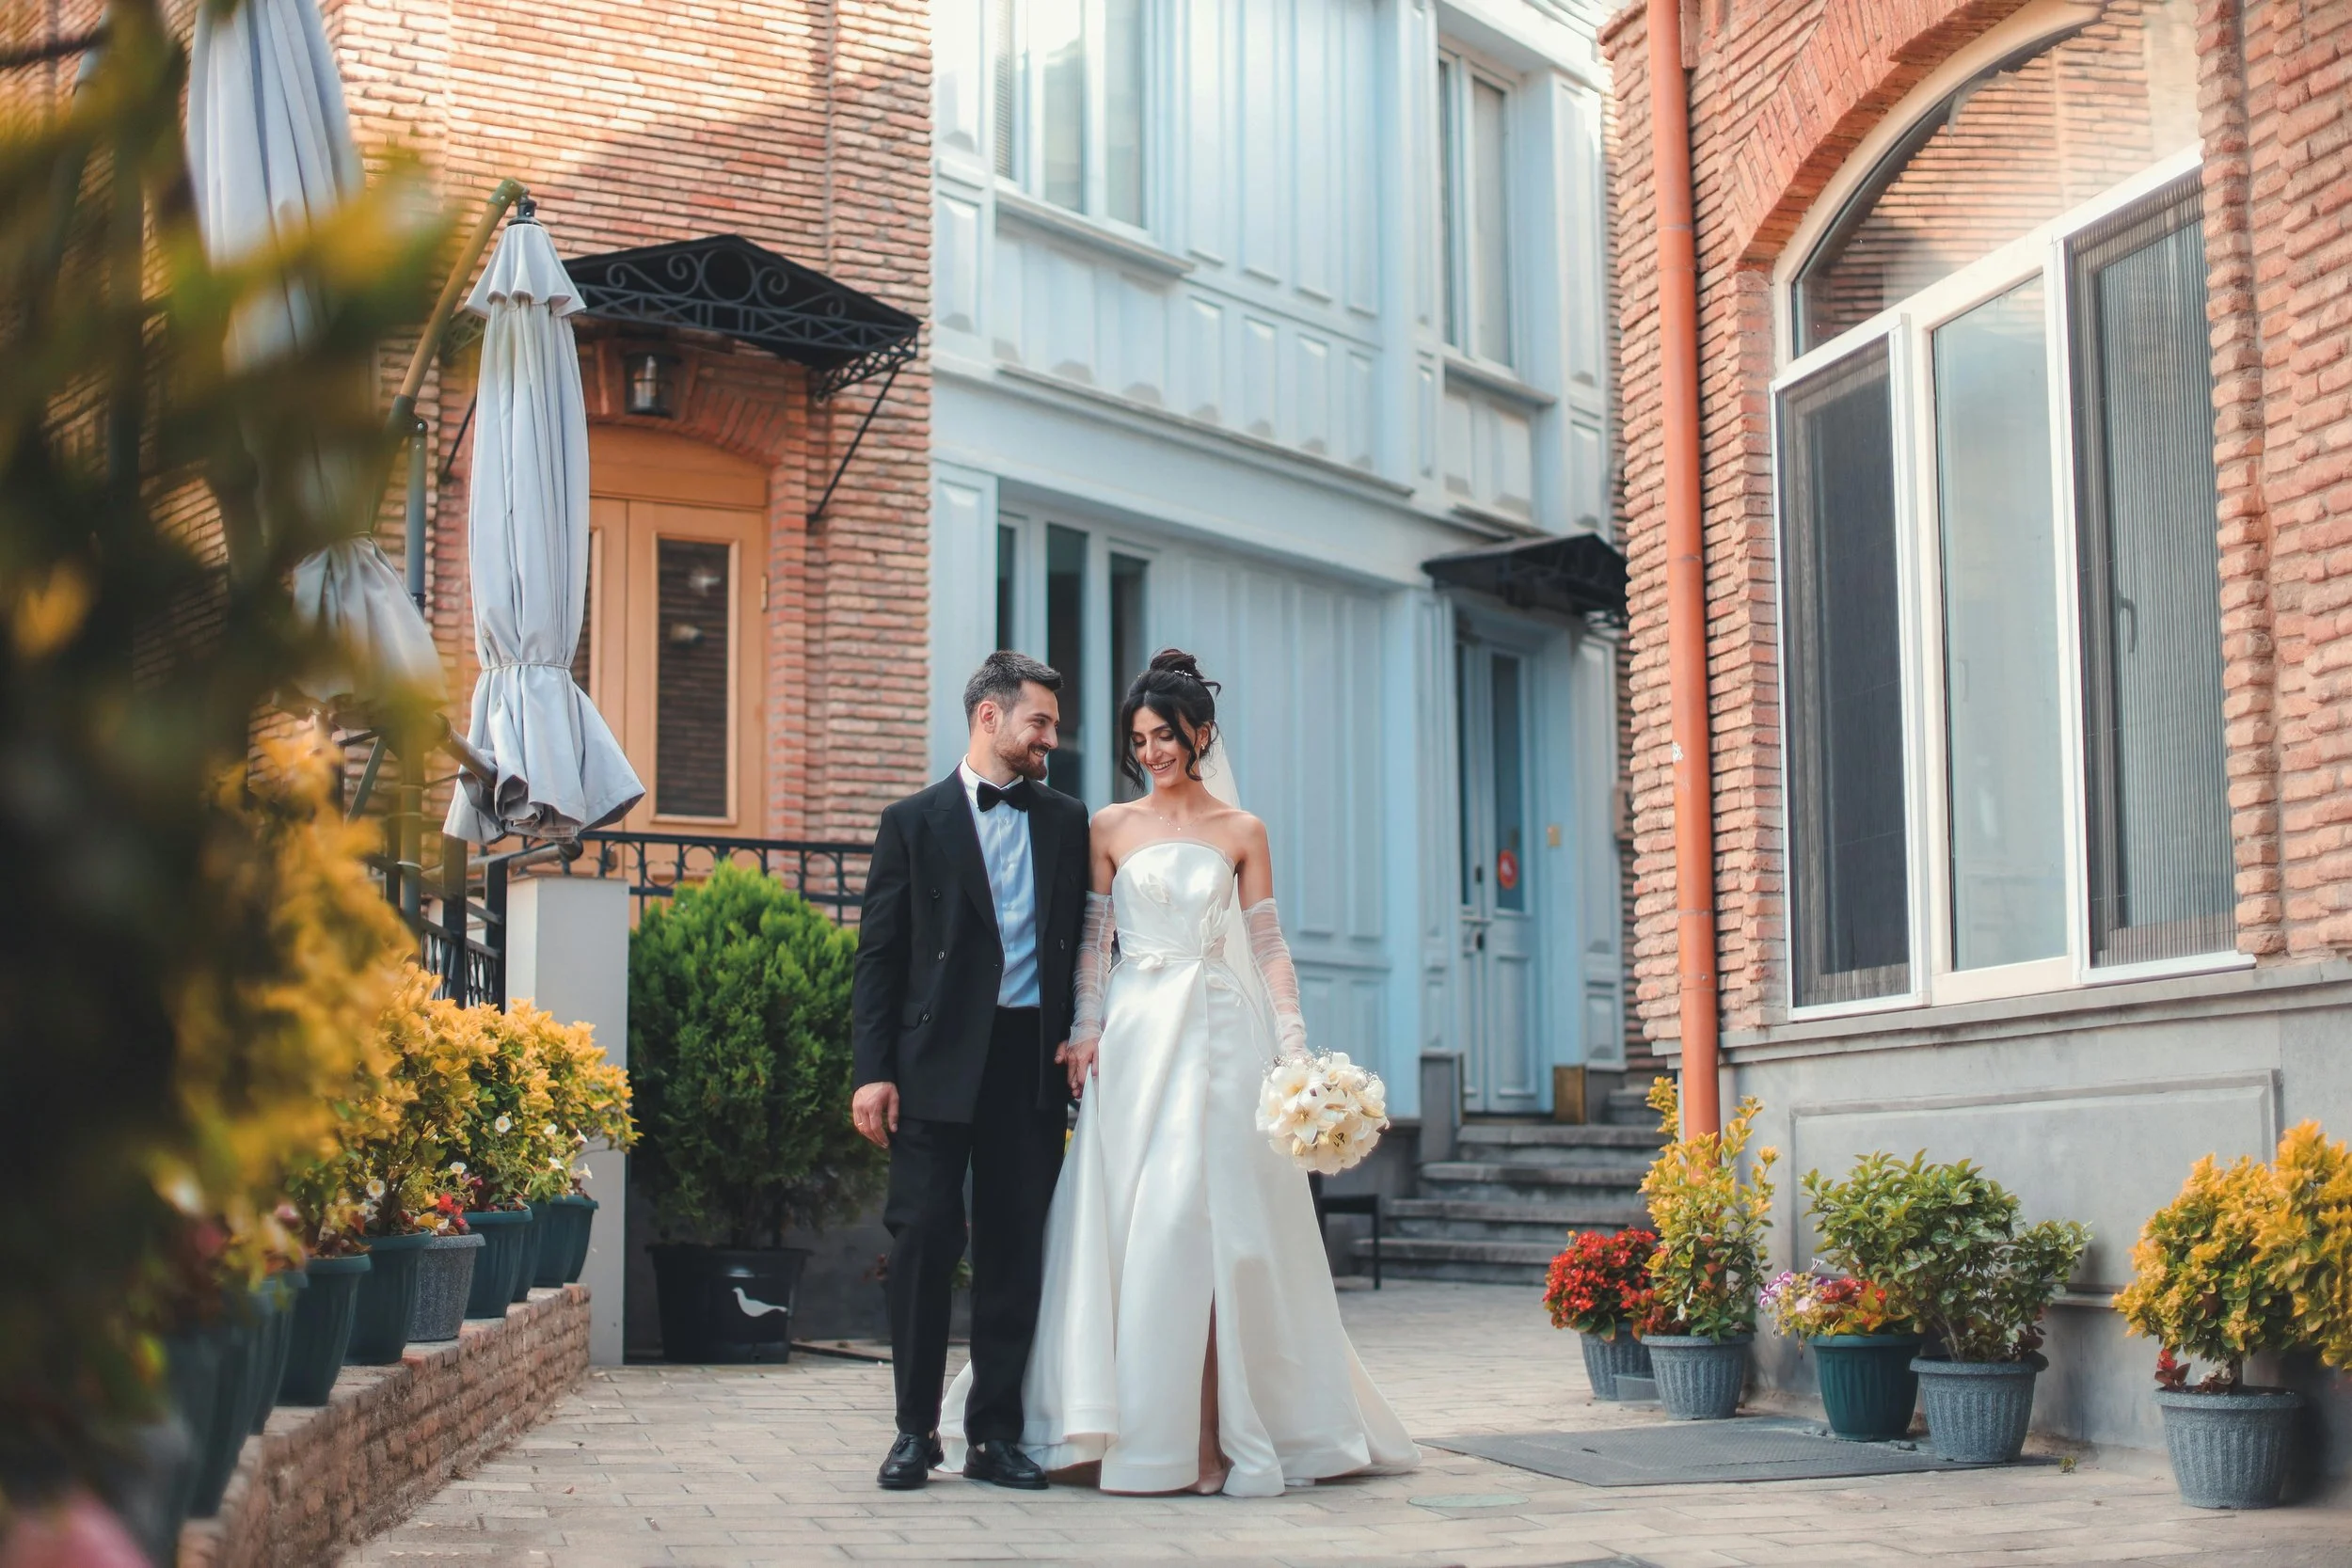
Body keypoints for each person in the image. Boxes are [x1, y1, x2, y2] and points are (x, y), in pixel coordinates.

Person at [941, 649, 1420, 1496]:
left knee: (1222, 1231)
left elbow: (1267, 944)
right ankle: (1134, 1425)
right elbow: (1093, 941)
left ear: (1200, 734)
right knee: (1149, 1226)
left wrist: (1297, 1045)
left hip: (1224, 1034)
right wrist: (1085, 1028)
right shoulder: (1109, 827)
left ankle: (1219, 1434)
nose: (1153, 751)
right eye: (1140, 738)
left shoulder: (1243, 831)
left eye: (1166, 735)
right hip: (1135, 1036)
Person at [850, 651, 1092, 1492]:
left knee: (1015, 1248)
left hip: (1029, 1062)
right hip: (932, 1063)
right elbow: (878, 959)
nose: (1051, 740)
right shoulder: (912, 822)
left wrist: (1084, 1032)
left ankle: (995, 1432)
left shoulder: (1067, 819)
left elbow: (1091, 945)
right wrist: (870, 1071)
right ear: (990, 717)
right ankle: (914, 1430)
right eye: (1040, 722)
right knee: (921, 1239)